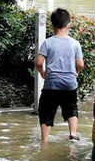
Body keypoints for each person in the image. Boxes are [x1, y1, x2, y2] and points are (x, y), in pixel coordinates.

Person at [36, 8, 84, 143]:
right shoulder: (75, 43)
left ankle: (45, 140)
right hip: (70, 84)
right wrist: (75, 74)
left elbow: (39, 63)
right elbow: (80, 64)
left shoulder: (47, 42)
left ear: (52, 25)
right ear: (69, 25)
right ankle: (73, 133)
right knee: (71, 107)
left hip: (51, 83)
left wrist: (42, 72)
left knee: (46, 110)